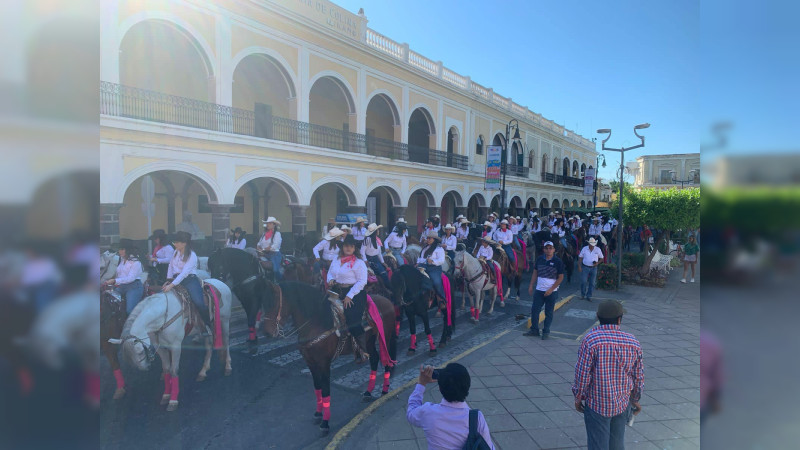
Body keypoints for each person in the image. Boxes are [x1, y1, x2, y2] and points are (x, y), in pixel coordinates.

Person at [572, 300, 644, 450]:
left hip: (597, 404)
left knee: (598, 445)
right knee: (617, 444)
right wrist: (635, 399)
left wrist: (579, 397)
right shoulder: (633, 342)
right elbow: (638, 377)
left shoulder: (590, 340)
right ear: (620, 319)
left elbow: (582, 375)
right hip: (622, 403)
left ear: (598, 317)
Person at [407, 363, 495, 450]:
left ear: (440, 389)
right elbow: (488, 447)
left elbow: (411, 412)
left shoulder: (428, 412)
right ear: (467, 387)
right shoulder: (476, 418)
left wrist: (421, 384)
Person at [327, 234, 370, 363]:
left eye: (351, 246)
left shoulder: (359, 262)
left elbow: (362, 281)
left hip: (355, 293)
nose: (348, 248)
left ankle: (363, 350)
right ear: (343, 247)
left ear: (354, 248)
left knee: (352, 318)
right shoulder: (336, 259)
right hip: (337, 290)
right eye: (346, 246)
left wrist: (349, 296)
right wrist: (330, 280)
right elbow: (330, 272)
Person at [164, 231, 210, 328]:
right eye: (174, 242)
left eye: (176, 242)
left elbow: (184, 273)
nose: (175, 244)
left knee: (198, 302)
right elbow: (170, 265)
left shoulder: (192, 255)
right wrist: (169, 279)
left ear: (184, 243)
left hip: (189, 280)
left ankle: (208, 325)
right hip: (176, 279)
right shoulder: (176, 252)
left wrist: (171, 285)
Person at [525, 241, 564, 340]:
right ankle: (534, 330)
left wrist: (551, 289)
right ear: (544, 249)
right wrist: (531, 285)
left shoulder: (558, 261)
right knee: (535, 310)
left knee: (549, 312)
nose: (548, 250)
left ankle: (546, 331)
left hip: (551, 292)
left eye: (550, 248)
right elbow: (535, 272)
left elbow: (560, 277)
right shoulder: (539, 259)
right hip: (539, 290)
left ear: (554, 249)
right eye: (546, 248)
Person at [103, 239, 144, 313]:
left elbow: (131, 278)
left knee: (130, 311)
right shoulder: (121, 260)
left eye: (122, 249)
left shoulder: (136, 262)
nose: (120, 251)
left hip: (134, 287)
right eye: (119, 249)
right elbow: (119, 275)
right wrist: (113, 281)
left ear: (128, 250)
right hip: (121, 286)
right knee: (109, 301)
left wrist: (115, 281)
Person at [417, 230, 447, 303]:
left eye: (429, 238)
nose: (427, 239)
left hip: (434, 268)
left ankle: (442, 298)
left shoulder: (439, 249)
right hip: (423, 266)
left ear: (434, 239)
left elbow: (441, 260)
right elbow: (420, 258)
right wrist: (418, 263)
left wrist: (433, 261)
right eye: (427, 238)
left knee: (436, 281)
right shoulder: (425, 248)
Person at [360, 223, 390, 288]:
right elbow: (362, 251)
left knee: (385, 272)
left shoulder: (377, 240)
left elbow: (379, 252)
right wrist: (365, 261)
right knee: (383, 273)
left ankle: (386, 287)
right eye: (377, 230)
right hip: (369, 259)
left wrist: (383, 262)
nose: (378, 231)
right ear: (375, 232)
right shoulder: (367, 240)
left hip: (376, 259)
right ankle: (388, 288)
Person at [257, 217, 283, 281]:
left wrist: (265, 249)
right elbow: (259, 243)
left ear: (274, 225)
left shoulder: (277, 234)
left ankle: (279, 283)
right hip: (264, 254)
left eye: (269, 223)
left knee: (275, 270)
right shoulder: (264, 234)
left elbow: (275, 245)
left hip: (274, 255)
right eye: (267, 223)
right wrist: (258, 248)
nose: (267, 224)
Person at [578, 237, 604, 302]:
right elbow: (580, 257)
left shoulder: (598, 249)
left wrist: (597, 263)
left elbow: (602, 258)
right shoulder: (584, 249)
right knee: (583, 281)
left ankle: (589, 295)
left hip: (593, 267)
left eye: (593, 245)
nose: (592, 246)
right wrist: (579, 266)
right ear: (589, 244)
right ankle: (583, 294)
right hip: (585, 267)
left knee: (592, 283)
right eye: (591, 244)